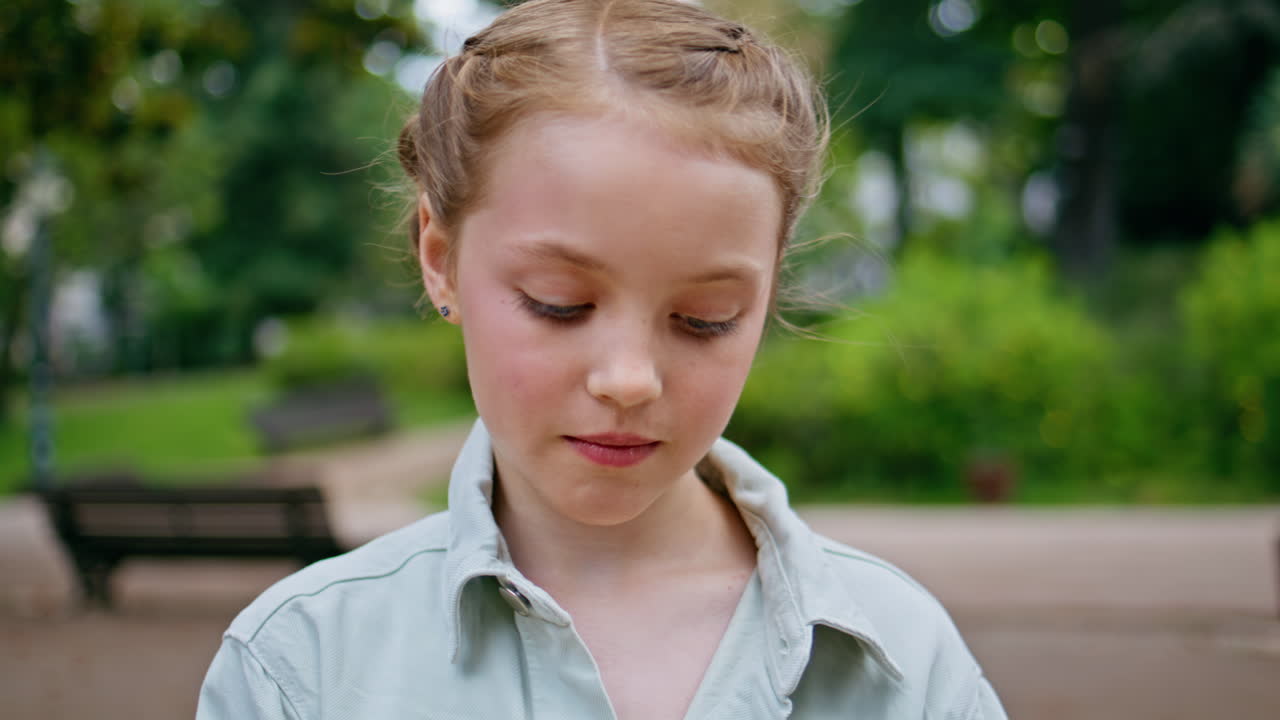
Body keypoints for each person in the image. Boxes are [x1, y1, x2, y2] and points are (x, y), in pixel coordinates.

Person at [197, 0, 1007, 718]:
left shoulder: (907, 661)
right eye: (559, 303)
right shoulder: (299, 666)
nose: (628, 380)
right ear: (440, 259)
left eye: (704, 319)